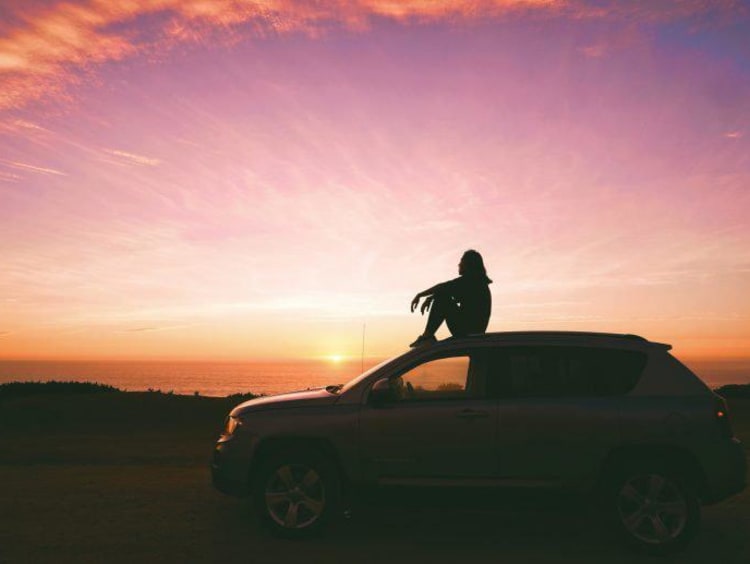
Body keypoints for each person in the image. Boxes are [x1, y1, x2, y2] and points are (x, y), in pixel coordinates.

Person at [409, 249, 492, 348]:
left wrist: (420, 295)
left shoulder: (471, 281)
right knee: (441, 296)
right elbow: (448, 291)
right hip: (472, 331)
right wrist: (432, 297)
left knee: (442, 298)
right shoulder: (476, 284)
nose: (459, 264)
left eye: (461, 261)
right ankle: (427, 336)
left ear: (469, 265)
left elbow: (443, 287)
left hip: (468, 333)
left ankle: (427, 336)